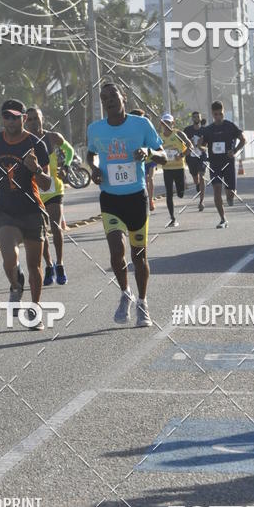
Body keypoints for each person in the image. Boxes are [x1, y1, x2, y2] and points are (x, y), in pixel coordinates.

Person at [87, 83, 166, 328]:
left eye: (113, 96)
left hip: (136, 197)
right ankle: (125, 293)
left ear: (124, 96)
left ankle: (142, 302)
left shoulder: (141, 125)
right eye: (104, 98)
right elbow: (90, 153)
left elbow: (163, 155)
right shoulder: (95, 129)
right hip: (110, 198)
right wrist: (94, 168)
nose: (109, 100)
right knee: (116, 253)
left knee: (139, 255)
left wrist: (147, 152)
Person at [0, 100, 51, 331]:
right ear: (2, 119)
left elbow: (47, 184)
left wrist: (36, 169)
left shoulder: (35, 143)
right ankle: (14, 285)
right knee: (9, 258)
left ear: (23, 117)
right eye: (6, 116)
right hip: (5, 210)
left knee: (34, 266)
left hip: (32, 210)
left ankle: (35, 310)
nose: (10, 121)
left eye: (15, 116)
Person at [25, 106, 74, 286]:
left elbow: (69, 151)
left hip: (54, 189)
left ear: (42, 118)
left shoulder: (52, 137)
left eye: (36, 118)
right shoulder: (23, 141)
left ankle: (60, 264)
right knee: (41, 233)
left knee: (55, 227)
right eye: (29, 119)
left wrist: (66, 166)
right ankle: (48, 265)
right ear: (24, 122)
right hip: (34, 191)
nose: (33, 122)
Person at [199, 101, 246, 228]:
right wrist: (202, 146)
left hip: (229, 163)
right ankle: (223, 219)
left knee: (230, 193)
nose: (218, 117)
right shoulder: (209, 129)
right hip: (215, 164)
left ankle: (230, 196)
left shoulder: (230, 126)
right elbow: (201, 144)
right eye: (216, 114)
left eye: (220, 114)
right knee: (217, 190)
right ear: (212, 114)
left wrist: (235, 151)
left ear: (223, 112)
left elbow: (243, 139)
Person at [160, 113, 192, 227]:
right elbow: (155, 150)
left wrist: (182, 155)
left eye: (169, 123)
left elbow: (190, 147)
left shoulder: (178, 134)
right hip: (167, 169)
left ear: (173, 123)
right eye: (164, 123)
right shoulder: (159, 137)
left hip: (179, 168)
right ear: (161, 124)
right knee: (169, 194)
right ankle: (172, 218)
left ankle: (183, 185)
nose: (167, 125)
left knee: (180, 193)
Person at [184, 111, 206, 211]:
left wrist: (200, 146)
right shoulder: (187, 130)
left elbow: (207, 147)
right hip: (191, 157)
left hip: (202, 157)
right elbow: (183, 144)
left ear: (200, 118)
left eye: (198, 117)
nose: (196, 118)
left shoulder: (205, 130)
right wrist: (190, 144)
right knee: (195, 177)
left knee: (202, 176)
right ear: (192, 119)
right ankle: (197, 185)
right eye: (194, 117)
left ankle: (201, 202)